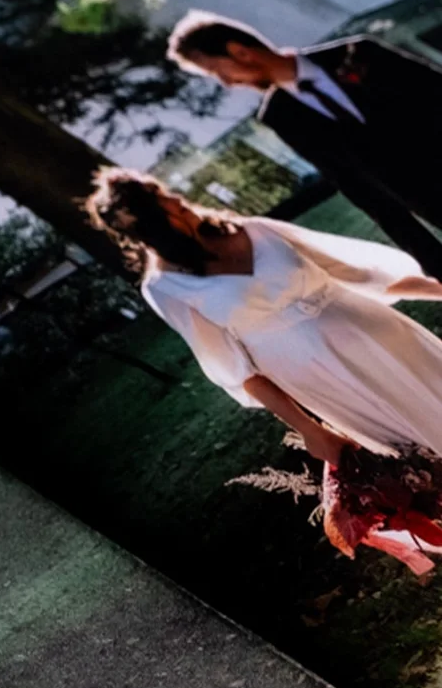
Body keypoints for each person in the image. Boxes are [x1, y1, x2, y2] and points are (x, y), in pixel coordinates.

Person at [84, 168, 442, 469]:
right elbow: (238, 371)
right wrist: (311, 430)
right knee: (416, 447)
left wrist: (437, 288)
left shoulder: (254, 229)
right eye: (163, 202)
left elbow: (359, 274)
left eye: (165, 192)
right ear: (151, 226)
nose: (177, 200)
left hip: (379, 334)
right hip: (325, 378)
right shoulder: (165, 287)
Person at [166, 11, 442, 276]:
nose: (226, 83)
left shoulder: (357, 53)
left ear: (239, 52)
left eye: (216, 71)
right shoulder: (279, 117)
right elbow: (360, 191)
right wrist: (433, 260)